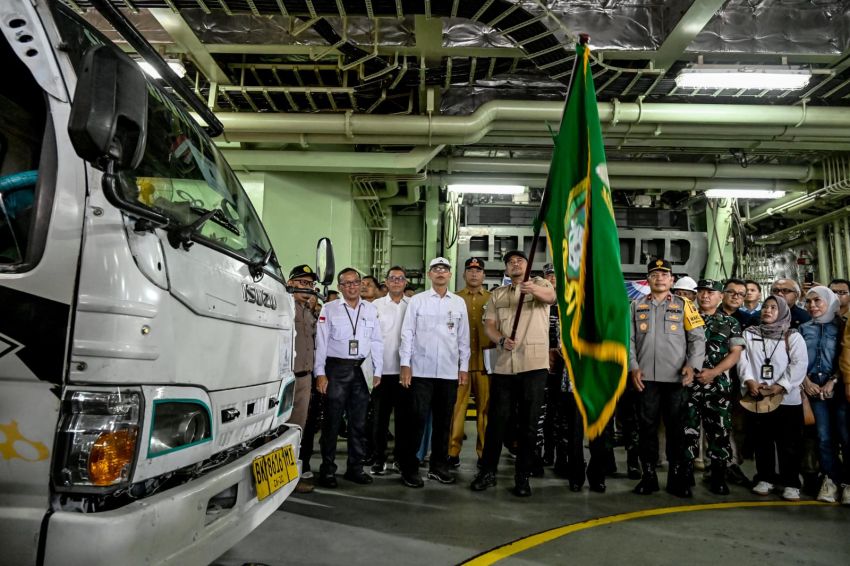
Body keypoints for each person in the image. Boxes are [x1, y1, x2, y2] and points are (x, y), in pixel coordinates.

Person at [470, 250, 556, 497]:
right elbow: (489, 325)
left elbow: (550, 297)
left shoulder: (539, 284)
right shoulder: (498, 294)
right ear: (506, 270)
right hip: (505, 366)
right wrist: (500, 341)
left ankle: (522, 476)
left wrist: (532, 289)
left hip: (534, 367)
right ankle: (487, 472)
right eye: (510, 262)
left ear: (528, 266)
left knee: (529, 425)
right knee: (497, 422)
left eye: (519, 261)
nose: (514, 264)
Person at [629, 259, 706, 498]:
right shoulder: (635, 305)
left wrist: (692, 366)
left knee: (676, 430)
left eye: (664, 274)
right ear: (648, 280)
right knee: (647, 429)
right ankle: (648, 476)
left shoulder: (685, 305)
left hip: (676, 379)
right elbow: (628, 340)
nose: (660, 278)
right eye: (654, 274)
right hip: (645, 379)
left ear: (671, 280)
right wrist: (633, 367)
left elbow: (697, 338)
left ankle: (677, 477)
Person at [399, 257, 470, 487]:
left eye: (445, 269)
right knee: (416, 421)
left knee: (443, 423)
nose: (441, 272)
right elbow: (407, 333)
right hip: (421, 371)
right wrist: (405, 364)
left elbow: (463, 338)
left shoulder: (458, 303)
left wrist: (464, 368)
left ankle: (438, 467)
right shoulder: (417, 301)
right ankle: (410, 469)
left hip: (449, 373)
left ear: (450, 275)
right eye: (436, 269)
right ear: (430, 274)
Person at [314, 268, 384, 488]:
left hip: (362, 370)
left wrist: (377, 371)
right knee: (332, 423)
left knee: (359, 423)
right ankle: (327, 470)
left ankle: (355, 468)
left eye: (356, 282)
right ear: (340, 286)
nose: (352, 287)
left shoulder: (370, 310)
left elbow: (377, 342)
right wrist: (320, 374)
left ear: (361, 284)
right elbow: (321, 343)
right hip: (336, 369)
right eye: (346, 283)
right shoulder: (330, 309)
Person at [738, 296, 808, 501]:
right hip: (758, 396)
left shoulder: (792, 336)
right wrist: (750, 381)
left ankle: (791, 482)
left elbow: (799, 364)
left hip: (786, 399)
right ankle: (765, 478)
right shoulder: (749, 334)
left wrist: (780, 386)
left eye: (773, 308)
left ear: (783, 312)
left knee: (789, 443)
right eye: (766, 307)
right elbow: (743, 361)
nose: (767, 310)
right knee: (762, 440)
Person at [684, 279, 744, 495]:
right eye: (701, 292)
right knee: (687, 430)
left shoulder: (730, 322)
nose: (705, 296)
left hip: (717, 385)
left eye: (711, 292)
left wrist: (714, 372)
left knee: (718, 432)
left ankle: (718, 476)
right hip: (688, 383)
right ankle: (686, 475)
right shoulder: (687, 319)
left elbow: (735, 352)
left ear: (720, 297)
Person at [799, 286, 849, 504]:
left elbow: (845, 357)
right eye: (809, 302)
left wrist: (834, 380)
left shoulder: (842, 327)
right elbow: (796, 359)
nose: (812, 306)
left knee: (846, 436)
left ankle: (847, 483)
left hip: (838, 388)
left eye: (818, 301)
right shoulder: (802, 328)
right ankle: (830, 480)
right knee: (823, 437)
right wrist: (806, 382)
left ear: (830, 302)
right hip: (813, 389)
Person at [447, 257, 492, 468]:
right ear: (464, 274)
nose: (474, 274)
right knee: (457, 409)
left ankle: (484, 454)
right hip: (460, 365)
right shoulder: (453, 300)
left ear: (483, 275)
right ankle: (452, 453)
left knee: (486, 410)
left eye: (478, 270)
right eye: (470, 270)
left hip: (485, 364)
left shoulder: (493, 299)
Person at [369, 266, 411, 475]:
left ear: (405, 283)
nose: (396, 281)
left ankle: (401, 459)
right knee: (379, 420)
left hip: (405, 372)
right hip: (381, 372)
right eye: (392, 278)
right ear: (386, 282)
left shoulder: (412, 305)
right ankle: (379, 459)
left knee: (404, 420)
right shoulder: (375, 306)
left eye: (400, 278)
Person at [287, 264, 320, 493]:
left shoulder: (308, 311)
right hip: (286, 377)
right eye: (302, 282)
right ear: (290, 283)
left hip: (305, 377)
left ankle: (291, 478)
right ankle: (277, 480)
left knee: (297, 429)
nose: (307, 288)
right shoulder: (284, 306)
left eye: (310, 284)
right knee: (278, 430)